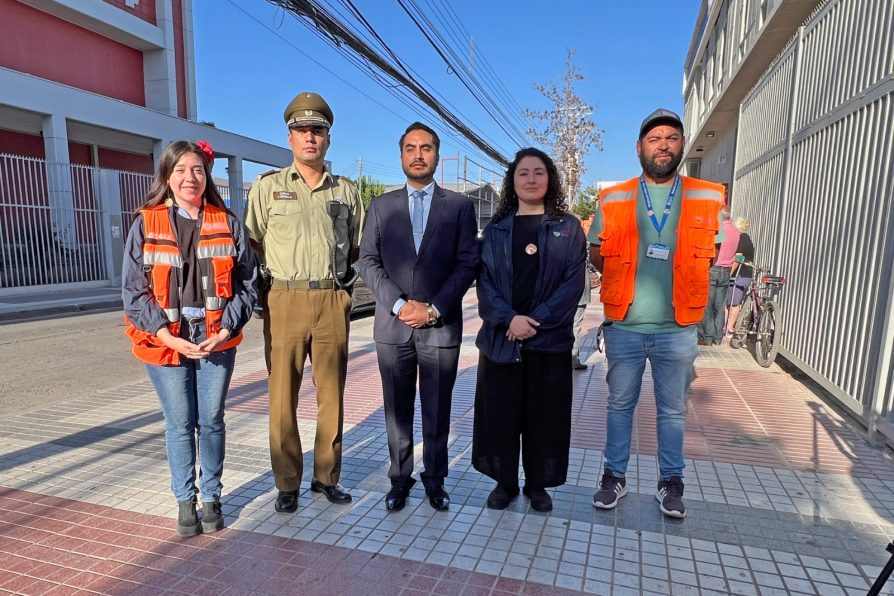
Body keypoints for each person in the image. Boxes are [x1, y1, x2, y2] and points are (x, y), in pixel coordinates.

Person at [588, 109, 725, 519]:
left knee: (672, 411)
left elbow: (713, 251)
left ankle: (671, 482)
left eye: (671, 137)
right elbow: (596, 250)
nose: (663, 144)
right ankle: (614, 476)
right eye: (654, 138)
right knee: (619, 406)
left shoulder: (706, 194)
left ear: (682, 145)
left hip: (677, 327)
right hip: (625, 325)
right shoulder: (614, 198)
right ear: (639, 148)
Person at [122, 140, 258, 536]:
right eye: (180, 169)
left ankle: (213, 496)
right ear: (166, 176)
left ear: (207, 175)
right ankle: (186, 501)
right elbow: (133, 290)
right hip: (165, 340)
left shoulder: (228, 222)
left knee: (211, 420)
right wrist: (165, 333)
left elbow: (247, 284)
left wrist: (227, 329)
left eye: (197, 169)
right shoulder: (145, 223)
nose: (189, 178)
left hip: (215, 338)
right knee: (180, 423)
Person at [244, 92, 364, 513]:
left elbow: (355, 248)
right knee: (282, 395)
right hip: (285, 299)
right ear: (289, 138)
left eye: (317, 130)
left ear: (329, 138)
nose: (309, 138)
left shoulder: (346, 192)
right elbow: (253, 242)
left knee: (331, 393)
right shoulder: (267, 188)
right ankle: (287, 482)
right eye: (301, 131)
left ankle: (326, 477)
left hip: (332, 299)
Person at [356, 122, 479, 513]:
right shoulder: (381, 205)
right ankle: (399, 479)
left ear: (437, 156)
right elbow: (367, 261)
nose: (418, 154)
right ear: (402, 155)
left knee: (438, 408)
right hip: (393, 328)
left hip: (440, 327)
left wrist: (434, 308)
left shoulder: (459, 207)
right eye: (411, 148)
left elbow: (467, 263)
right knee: (397, 411)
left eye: (426, 148)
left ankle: (436, 481)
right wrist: (399, 305)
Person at [473, 148, 586, 512]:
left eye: (539, 172)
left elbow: (572, 286)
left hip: (548, 342)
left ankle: (538, 484)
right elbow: (485, 284)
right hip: (501, 341)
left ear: (550, 179)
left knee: (545, 417)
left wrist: (533, 321)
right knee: (501, 414)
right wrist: (509, 319)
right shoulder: (496, 229)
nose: (532, 179)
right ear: (513, 181)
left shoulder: (568, 228)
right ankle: (504, 482)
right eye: (524, 173)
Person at [697, 206, 740, 345]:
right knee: (720, 306)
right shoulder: (736, 231)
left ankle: (707, 336)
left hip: (714, 268)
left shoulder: (719, 231)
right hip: (726, 270)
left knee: (708, 304)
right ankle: (718, 337)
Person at [727, 216, 755, 334]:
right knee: (733, 302)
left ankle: (729, 328)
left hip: (740, 275)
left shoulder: (741, 239)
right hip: (746, 275)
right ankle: (728, 327)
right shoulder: (747, 239)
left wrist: (729, 273)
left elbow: (738, 259)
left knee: (733, 303)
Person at [571, 251, 593, 370]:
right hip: (580, 292)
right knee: (575, 325)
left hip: (563, 294)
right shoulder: (581, 242)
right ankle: (573, 357)